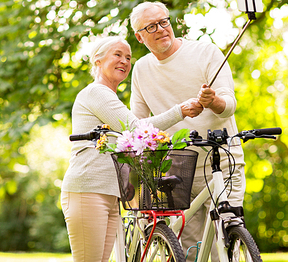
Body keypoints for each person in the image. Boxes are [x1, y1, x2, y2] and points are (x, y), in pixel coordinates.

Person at [60, 36, 203, 262]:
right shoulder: (96, 93)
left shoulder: (110, 98)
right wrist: (180, 111)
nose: (125, 61)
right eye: (117, 55)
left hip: (108, 193)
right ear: (97, 60)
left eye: (128, 57)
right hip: (87, 190)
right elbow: (136, 128)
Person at [129, 2, 245, 262]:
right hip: (179, 169)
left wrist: (212, 101)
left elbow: (228, 106)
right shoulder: (141, 70)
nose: (161, 29)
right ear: (140, 36)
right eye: (151, 26)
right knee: (192, 249)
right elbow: (138, 124)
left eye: (164, 22)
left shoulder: (205, 52)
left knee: (226, 237)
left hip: (222, 162)